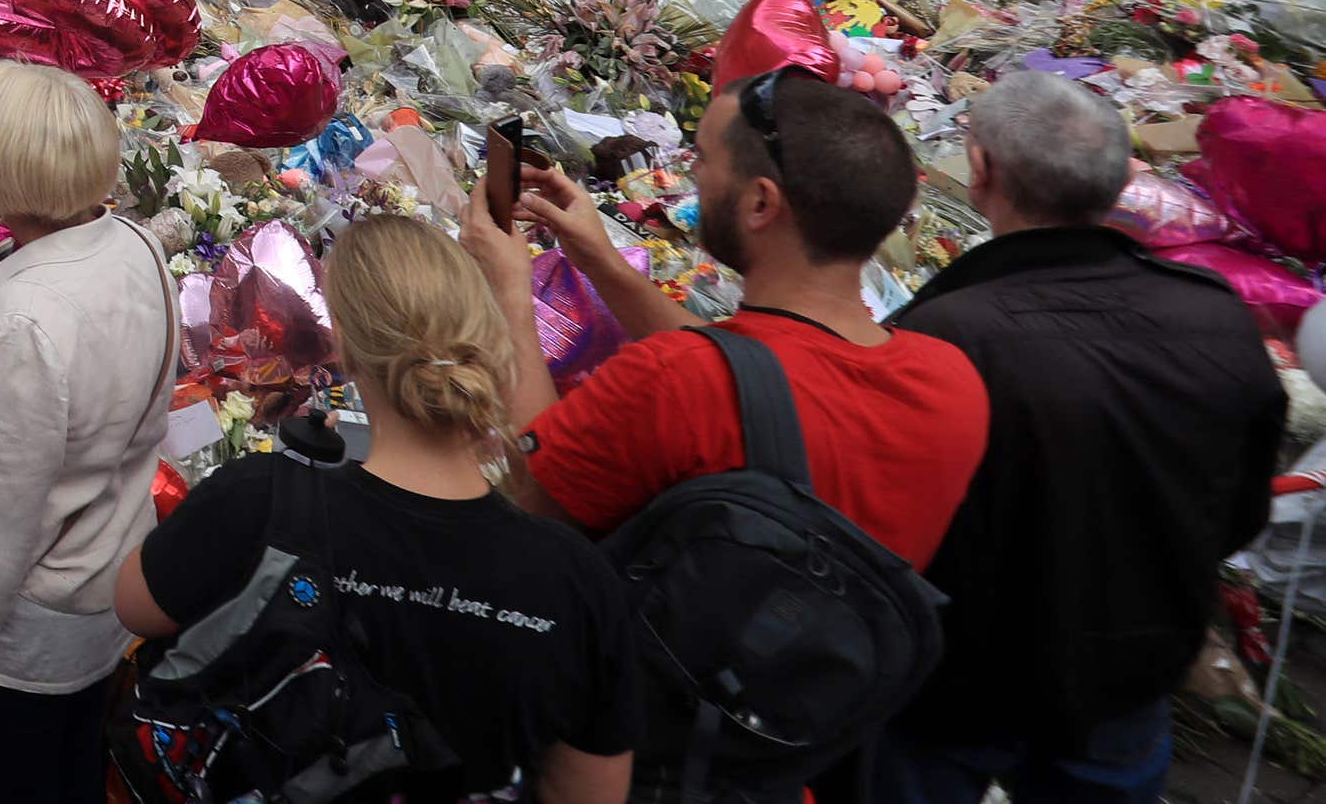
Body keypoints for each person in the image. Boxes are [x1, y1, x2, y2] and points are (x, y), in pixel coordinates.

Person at [459, 70, 990, 753]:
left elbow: (527, 499)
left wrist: (509, 285)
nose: (689, 171)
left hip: (635, 747)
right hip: (796, 744)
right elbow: (753, 367)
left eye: (702, 158)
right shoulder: (950, 380)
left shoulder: (673, 382)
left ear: (761, 202)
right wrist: (598, 259)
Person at [115, 218, 640, 804]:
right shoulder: (577, 581)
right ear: (487, 342)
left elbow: (135, 605)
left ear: (342, 340)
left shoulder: (263, 497)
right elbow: (590, 791)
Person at [872, 74, 1286, 804]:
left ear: (981, 172)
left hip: (961, 681)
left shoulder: (942, 335)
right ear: (1120, 180)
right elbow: (1241, 510)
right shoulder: (1217, 317)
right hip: (1130, 665)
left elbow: (888, 526)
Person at [0, 59, 175, 804]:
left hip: (25, 624)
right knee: (71, 756)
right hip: (102, 571)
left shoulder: (25, 324)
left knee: (15, 775)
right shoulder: (132, 242)